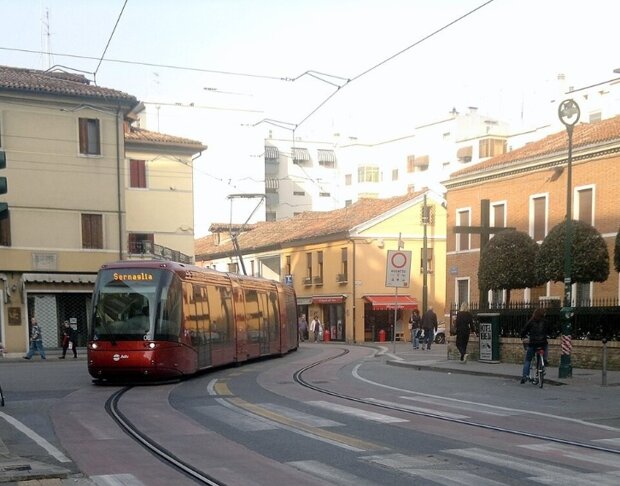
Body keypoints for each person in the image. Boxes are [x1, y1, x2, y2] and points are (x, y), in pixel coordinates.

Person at [520, 308, 550, 383]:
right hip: (543, 343)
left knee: (528, 360)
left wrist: (522, 336)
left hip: (533, 344)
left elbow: (524, 330)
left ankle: (525, 376)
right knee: (545, 348)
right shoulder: (545, 322)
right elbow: (550, 330)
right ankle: (544, 361)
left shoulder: (531, 321)